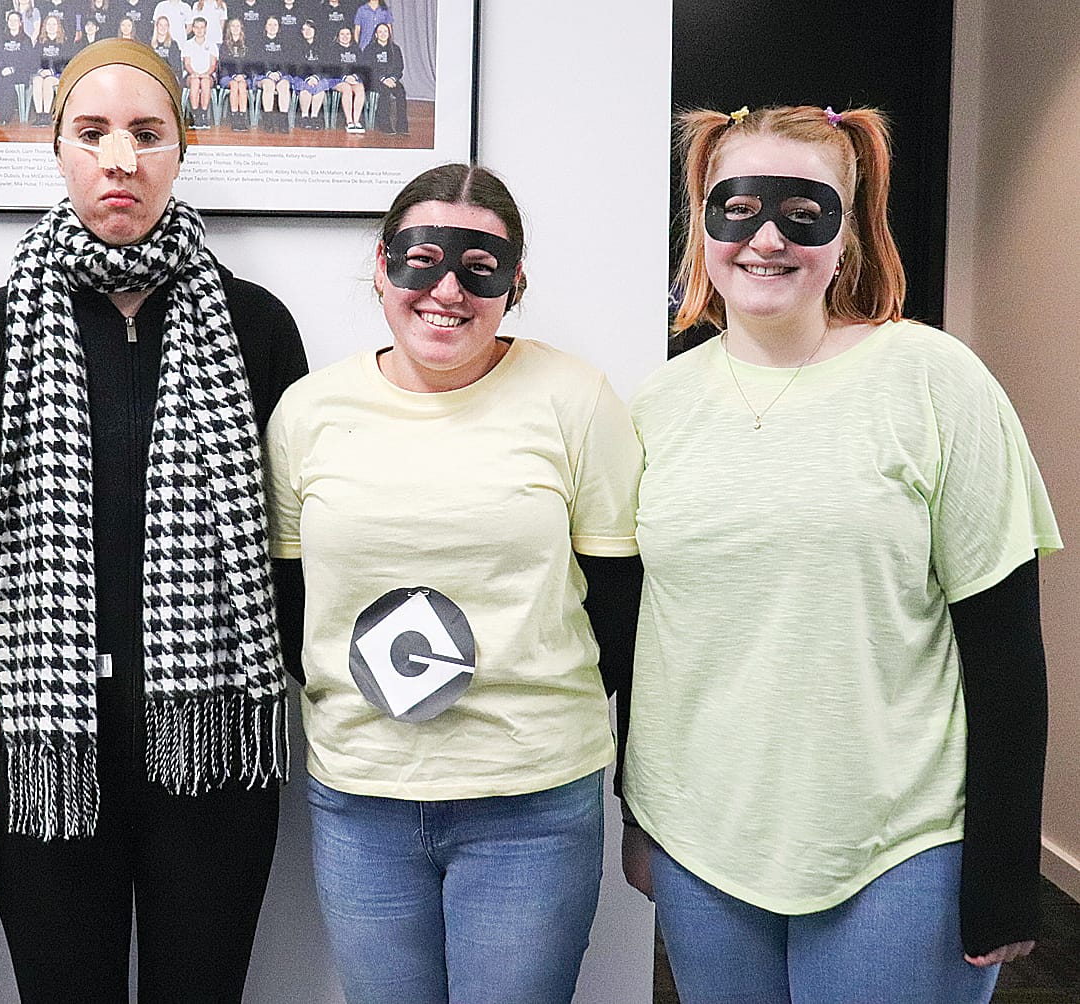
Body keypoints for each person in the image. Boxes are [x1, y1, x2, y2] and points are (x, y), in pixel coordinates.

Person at [623, 104, 1061, 1002]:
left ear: (848, 232)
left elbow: (1007, 644)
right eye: (738, 208)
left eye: (802, 211)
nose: (767, 238)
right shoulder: (656, 407)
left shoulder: (933, 380)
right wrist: (640, 815)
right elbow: (648, 633)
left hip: (899, 843)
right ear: (702, 224)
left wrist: (1007, 870)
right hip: (702, 840)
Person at [0, 38, 307, 1004]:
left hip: (211, 739)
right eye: (93, 132)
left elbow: (293, 544)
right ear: (58, 149)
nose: (121, 159)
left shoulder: (255, 326)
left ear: (181, 150)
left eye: (147, 134)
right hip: (47, 742)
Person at [265, 164, 643, 1004]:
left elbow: (621, 607)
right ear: (380, 265)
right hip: (363, 795)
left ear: (515, 282)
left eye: (479, 268)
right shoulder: (308, 413)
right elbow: (293, 605)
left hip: (531, 799)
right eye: (421, 259)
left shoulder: (575, 399)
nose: (446, 291)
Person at [0, 10, 38, 125]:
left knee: (8, 80)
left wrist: (13, 69)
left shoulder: (26, 40)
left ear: (20, 23)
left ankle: (6, 116)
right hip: (3, 70)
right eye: (10, 20)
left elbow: (28, 61)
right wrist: (3, 68)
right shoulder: (1, 38)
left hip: (20, 73)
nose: (12, 23)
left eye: (15, 20)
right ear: (7, 22)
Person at [362, 20, 404, 134]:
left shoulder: (395, 49)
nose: (383, 34)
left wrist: (392, 78)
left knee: (401, 92)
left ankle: (402, 126)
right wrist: (383, 79)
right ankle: (385, 125)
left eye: (385, 31)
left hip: (391, 79)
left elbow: (399, 67)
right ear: (376, 34)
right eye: (380, 32)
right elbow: (368, 68)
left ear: (389, 34)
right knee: (384, 92)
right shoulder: (369, 49)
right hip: (375, 80)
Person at [255, 15, 292, 133]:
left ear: (279, 27)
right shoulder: (258, 42)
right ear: (265, 27)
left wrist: (279, 73)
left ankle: (283, 123)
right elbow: (256, 62)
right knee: (269, 85)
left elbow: (288, 62)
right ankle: (268, 122)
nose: (272, 27)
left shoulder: (285, 43)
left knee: (284, 86)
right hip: (263, 75)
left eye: (275, 25)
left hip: (281, 74)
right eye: (269, 24)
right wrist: (269, 73)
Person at [33, 13, 72, 125]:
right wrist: (41, 71)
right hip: (42, 73)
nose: (51, 27)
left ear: (58, 26)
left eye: (54, 24)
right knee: (37, 81)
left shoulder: (64, 43)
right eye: (48, 24)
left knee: (48, 82)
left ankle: (46, 115)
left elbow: (65, 62)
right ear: (45, 26)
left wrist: (52, 71)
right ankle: (39, 115)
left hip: (58, 74)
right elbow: (34, 60)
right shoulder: (40, 43)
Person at [181, 15, 219, 129]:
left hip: (208, 75)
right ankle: (195, 115)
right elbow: (187, 64)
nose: (199, 30)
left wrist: (206, 74)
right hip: (191, 75)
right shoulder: (187, 44)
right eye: (197, 27)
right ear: (193, 29)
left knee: (205, 82)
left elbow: (213, 64)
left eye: (202, 27)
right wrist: (194, 73)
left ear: (206, 28)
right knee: (196, 82)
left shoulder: (212, 45)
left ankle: (203, 115)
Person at [328, 24, 365, 133]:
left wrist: (354, 76)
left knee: (360, 88)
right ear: (338, 36)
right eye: (342, 34)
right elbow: (331, 68)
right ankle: (349, 121)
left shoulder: (356, 49)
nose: (345, 36)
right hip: (337, 79)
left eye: (348, 34)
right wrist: (344, 77)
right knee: (346, 88)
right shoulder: (332, 49)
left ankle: (356, 121)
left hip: (353, 78)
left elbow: (362, 66)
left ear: (351, 36)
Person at [219, 17, 254, 132]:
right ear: (229, 28)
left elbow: (250, 64)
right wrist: (234, 76)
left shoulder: (247, 46)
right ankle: (234, 118)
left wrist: (243, 75)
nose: (235, 28)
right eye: (233, 26)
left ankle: (242, 118)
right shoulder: (224, 46)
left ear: (241, 28)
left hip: (244, 76)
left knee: (242, 85)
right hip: (228, 76)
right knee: (234, 85)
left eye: (237, 26)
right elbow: (224, 65)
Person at [293, 19, 328, 130]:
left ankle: (314, 116)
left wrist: (316, 77)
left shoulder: (323, 46)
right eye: (304, 29)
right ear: (301, 32)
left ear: (315, 30)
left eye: (310, 28)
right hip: (302, 76)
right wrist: (308, 78)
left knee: (320, 87)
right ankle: (304, 117)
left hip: (318, 77)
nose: (307, 31)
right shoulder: (296, 47)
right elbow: (296, 66)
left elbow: (325, 65)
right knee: (305, 88)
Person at [148, 14, 185, 83]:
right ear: (156, 26)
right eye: (160, 25)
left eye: (165, 25)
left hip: (169, 77)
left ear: (168, 27)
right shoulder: (149, 44)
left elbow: (176, 66)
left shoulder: (173, 44)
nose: (163, 28)